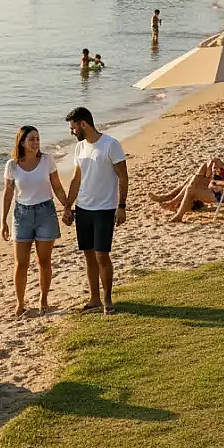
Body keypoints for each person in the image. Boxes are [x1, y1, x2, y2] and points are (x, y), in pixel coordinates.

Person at [63, 107, 128, 316]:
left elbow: (123, 177)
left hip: (104, 209)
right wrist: (67, 206)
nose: (72, 132)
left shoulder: (111, 144)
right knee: (88, 256)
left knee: (102, 255)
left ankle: (108, 299)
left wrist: (122, 206)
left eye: (73, 128)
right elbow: (76, 178)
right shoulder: (80, 148)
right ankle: (94, 299)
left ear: (83, 124)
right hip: (83, 209)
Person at [1, 126, 69, 317]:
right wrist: (3, 221)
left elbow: (56, 185)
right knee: (21, 263)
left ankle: (44, 300)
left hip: (45, 212)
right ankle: (20, 303)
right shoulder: (12, 165)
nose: (36, 142)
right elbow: (7, 194)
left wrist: (66, 206)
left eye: (38, 139)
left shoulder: (47, 160)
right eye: (31, 139)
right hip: (21, 215)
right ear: (22, 142)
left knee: (44, 260)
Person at [154, 144, 224, 222]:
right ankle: (173, 202)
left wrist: (218, 183)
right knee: (197, 177)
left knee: (191, 189)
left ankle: (177, 212)